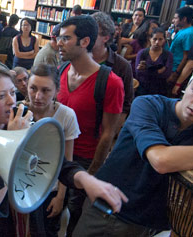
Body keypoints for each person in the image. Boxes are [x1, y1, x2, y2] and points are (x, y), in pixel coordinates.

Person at [0, 63, 127, 236]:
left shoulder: (20, 122)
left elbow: (55, 162)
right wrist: (12, 143)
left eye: (12, 92)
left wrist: (87, 181)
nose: (12, 101)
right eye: (1, 96)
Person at [74, 60, 193, 236]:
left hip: (155, 223)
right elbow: (161, 160)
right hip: (110, 213)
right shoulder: (149, 105)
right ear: (187, 84)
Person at [56, 15, 124, 237]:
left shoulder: (111, 82)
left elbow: (108, 134)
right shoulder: (62, 70)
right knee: (51, 211)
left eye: (66, 38)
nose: (59, 42)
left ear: (84, 42)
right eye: (59, 37)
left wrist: (92, 174)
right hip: (56, 153)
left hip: (84, 160)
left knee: (77, 216)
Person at [25, 63, 80, 236]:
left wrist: (60, 197)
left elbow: (66, 159)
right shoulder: (19, 112)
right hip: (24, 186)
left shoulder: (66, 116)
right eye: (33, 88)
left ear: (57, 91)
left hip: (52, 189)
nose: (38, 96)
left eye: (46, 90)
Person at [91, 12, 133, 132]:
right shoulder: (77, 59)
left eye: (93, 33)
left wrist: (111, 131)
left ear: (106, 37)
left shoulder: (122, 66)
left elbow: (126, 104)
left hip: (102, 127)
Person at [135, 27, 173, 96]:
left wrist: (147, 68)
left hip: (160, 90)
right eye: (155, 39)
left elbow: (166, 74)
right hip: (142, 89)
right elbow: (138, 72)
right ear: (150, 39)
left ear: (164, 40)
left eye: (160, 39)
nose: (157, 42)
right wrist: (158, 71)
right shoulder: (142, 53)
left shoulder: (167, 55)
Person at [167, 6, 193, 93]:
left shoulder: (189, 34)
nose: (173, 20)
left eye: (175, 18)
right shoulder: (182, 31)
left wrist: (176, 73)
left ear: (184, 19)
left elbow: (186, 56)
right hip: (170, 66)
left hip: (175, 70)